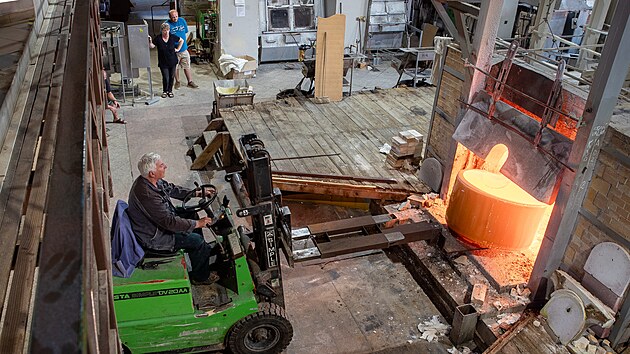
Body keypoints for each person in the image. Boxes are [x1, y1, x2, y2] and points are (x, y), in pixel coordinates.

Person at [127, 152, 219, 284]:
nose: (165, 166)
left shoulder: (151, 181)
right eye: (161, 166)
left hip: (158, 223)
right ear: (152, 173)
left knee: (191, 214)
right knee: (197, 241)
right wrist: (197, 224)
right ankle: (201, 277)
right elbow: (169, 222)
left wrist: (197, 193)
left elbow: (171, 189)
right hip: (155, 236)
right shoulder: (147, 195)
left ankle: (199, 255)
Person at [149, 23, 183, 98]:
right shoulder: (158, 38)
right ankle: (165, 91)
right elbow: (152, 46)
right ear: (162, 31)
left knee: (171, 76)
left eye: (168, 30)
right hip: (163, 62)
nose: (166, 32)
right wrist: (150, 41)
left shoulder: (172, 37)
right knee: (165, 77)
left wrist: (178, 49)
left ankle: (170, 91)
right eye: (164, 30)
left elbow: (181, 40)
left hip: (172, 61)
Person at [166, 10, 198, 89]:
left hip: (184, 49)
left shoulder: (182, 21)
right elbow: (165, 38)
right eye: (173, 17)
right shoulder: (167, 24)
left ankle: (190, 81)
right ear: (170, 17)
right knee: (175, 67)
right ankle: (177, 81)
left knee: (186, 66)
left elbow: (185, 32)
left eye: (176, 16)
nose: (175, 18)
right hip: (174, 51)